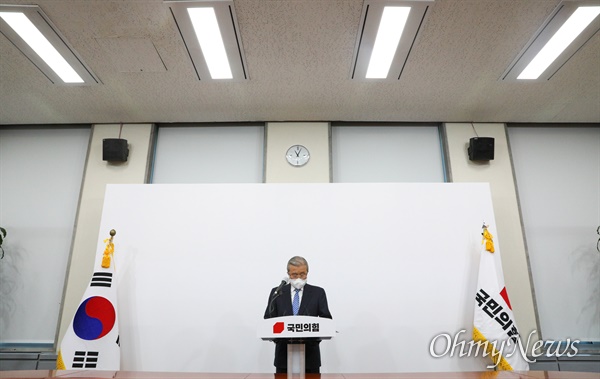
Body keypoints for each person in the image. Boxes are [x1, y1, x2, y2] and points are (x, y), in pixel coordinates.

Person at [264, 256, 332, 374]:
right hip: (283, 355)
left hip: (310, 355)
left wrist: (312, 337)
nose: (299, 278)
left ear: (307, 273)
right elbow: (268, 320)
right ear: (288, 274)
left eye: (302, 274)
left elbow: (326, 320)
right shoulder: (277, 292)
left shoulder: (318, 293)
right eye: (294, 275)